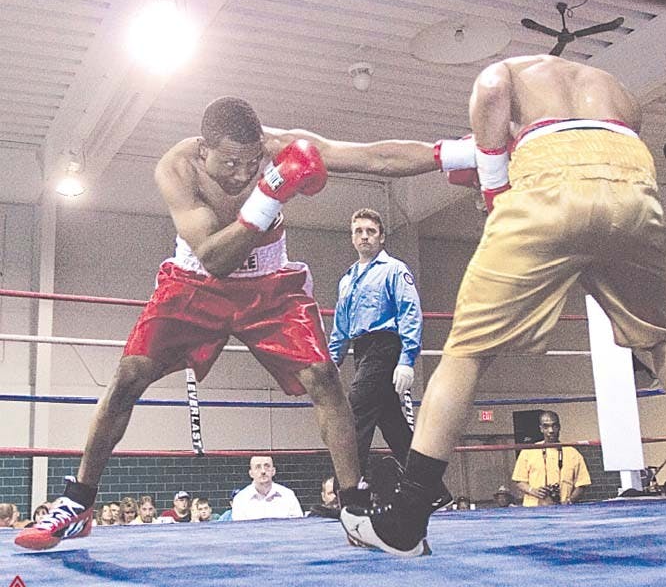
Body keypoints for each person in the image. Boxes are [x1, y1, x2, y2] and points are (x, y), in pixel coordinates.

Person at [341, 54, 666, 556]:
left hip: (548, 178)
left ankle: (406, 522)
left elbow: (487, 88)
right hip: (631, 180)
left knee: (466, 352)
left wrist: (496, 185)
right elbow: (622, 133)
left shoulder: (513, 70)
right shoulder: (613, 86)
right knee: (660, 340)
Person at [15, 95, 456, 550]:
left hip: (269, 285)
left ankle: (354, 507)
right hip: (196, 281)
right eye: (230, 162)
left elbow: (373, 156)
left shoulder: (278, 148)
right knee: (129, 375)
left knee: (324, 377)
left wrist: (457, 154)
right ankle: (78, 504)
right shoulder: (178, 168)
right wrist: (270, 194)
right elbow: (215, 258)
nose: (243, 173)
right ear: (204, 149)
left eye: (251, 162)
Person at [328, 208, 421, 489]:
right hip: (362, 349)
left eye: (371, 231)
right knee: (392, 423)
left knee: (355, 414)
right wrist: (332, 364)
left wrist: (407, 359)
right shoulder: (347, 280)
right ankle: (432, 489)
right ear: (352, 238)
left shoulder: (394, 269)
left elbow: (410, 312)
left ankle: (347, 493)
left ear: (381, 237)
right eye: (359, 231)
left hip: (386, 346)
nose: (365, 236)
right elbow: (341, 326)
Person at [511, 411, 590, 507]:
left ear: (559, 427)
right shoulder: (528, 451)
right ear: (541, 429)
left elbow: (582, 484)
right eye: (546, 426)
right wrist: (533, 491)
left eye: (554, 426)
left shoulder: (573, 453)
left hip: (564, 511)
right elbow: (519, 481)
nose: (551, 430)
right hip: (533, 511)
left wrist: (569, 501)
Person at [231, 456, 303, 520]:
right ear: (251, 473)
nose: (263, 471)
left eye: (267, 466)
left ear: (273, 471)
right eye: (258, 467)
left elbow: (297, 527)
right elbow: (239, 532)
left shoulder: (288, 495)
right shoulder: (240, 499)